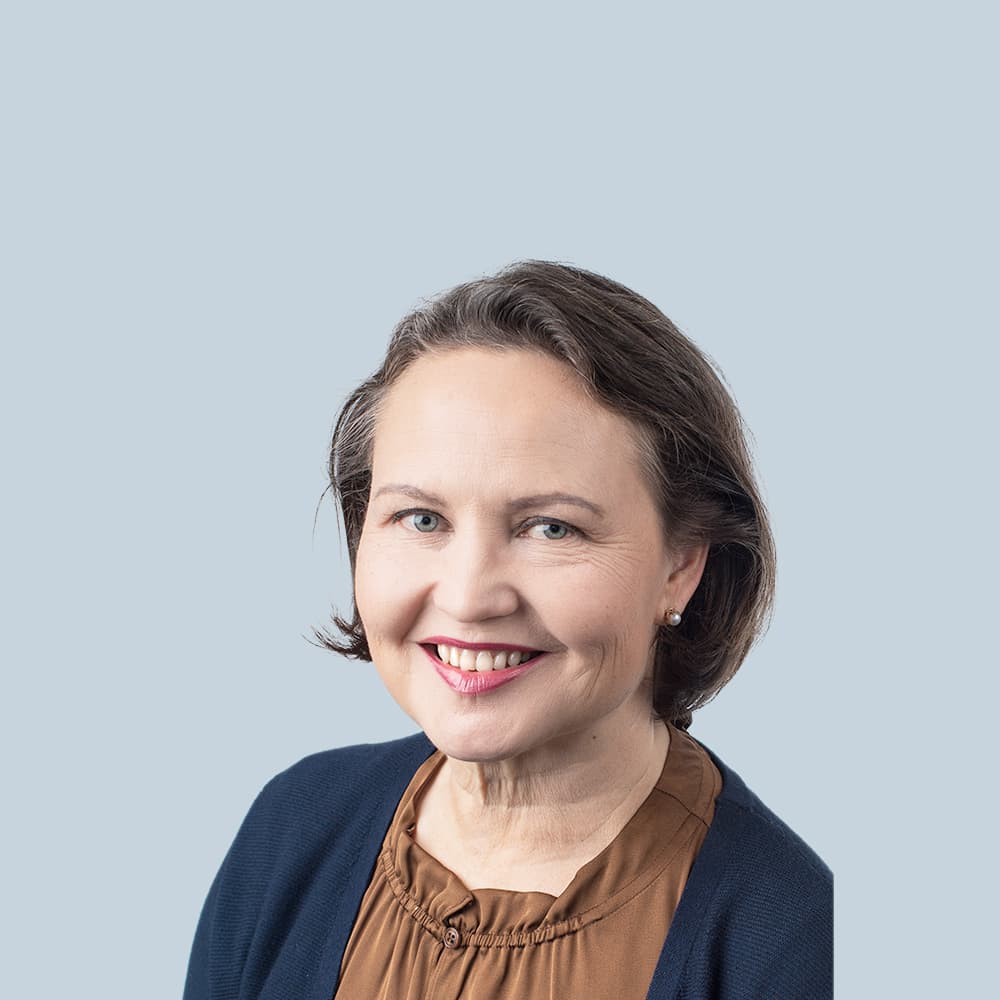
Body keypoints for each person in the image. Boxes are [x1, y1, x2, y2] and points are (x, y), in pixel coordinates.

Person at [183, 261, 833, 1000]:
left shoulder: (793, 942)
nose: (468, 597)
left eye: (551, 527)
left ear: (681, 565)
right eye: (421, 518)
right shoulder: (291, 830)